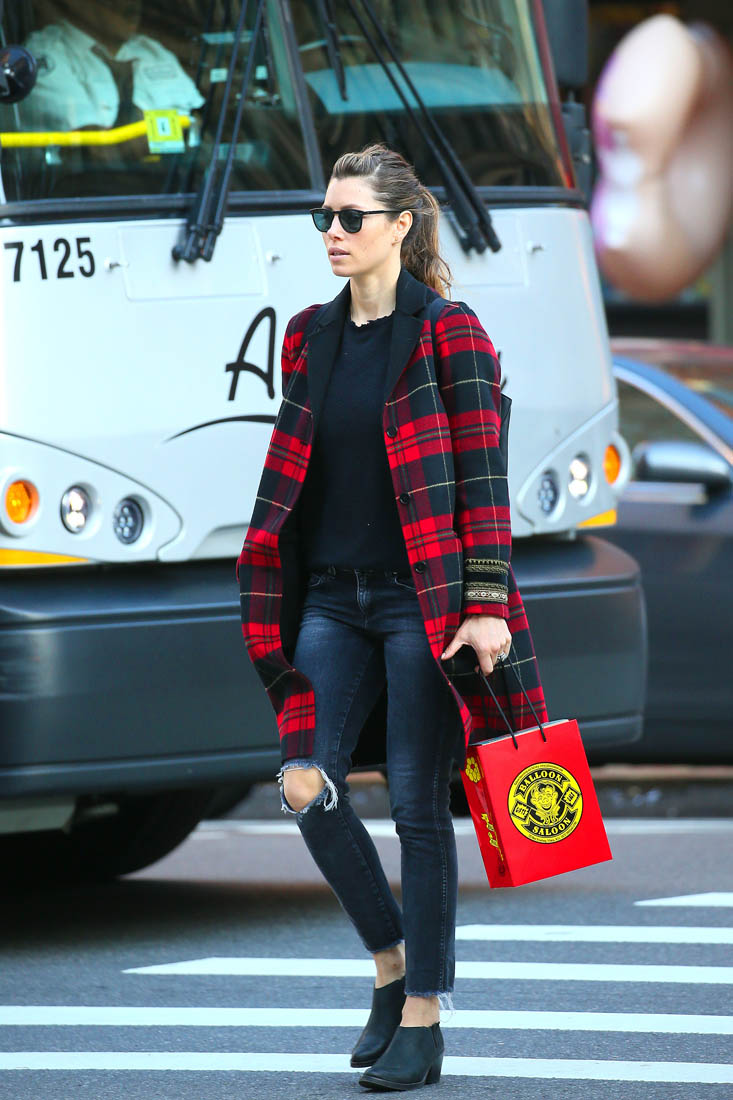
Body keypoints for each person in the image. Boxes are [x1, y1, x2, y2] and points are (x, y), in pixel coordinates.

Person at [236, 142, 547, 1091]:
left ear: (399, 226)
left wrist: (485, 603)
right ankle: (389, 962)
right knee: (305, 782)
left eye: (350, 218)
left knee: (417, 806)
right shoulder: (308, 337)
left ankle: (423, 1016)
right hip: (332, 596)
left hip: (426, 599)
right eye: (323, 217)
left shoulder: (450, 334)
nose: (331, 232)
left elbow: (484, 480)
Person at [17, 0, 203, 132]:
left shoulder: (152, 50)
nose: (132, 4)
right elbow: (93, 151)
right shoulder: (45, 57)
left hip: (179, 175)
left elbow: (199, 121)